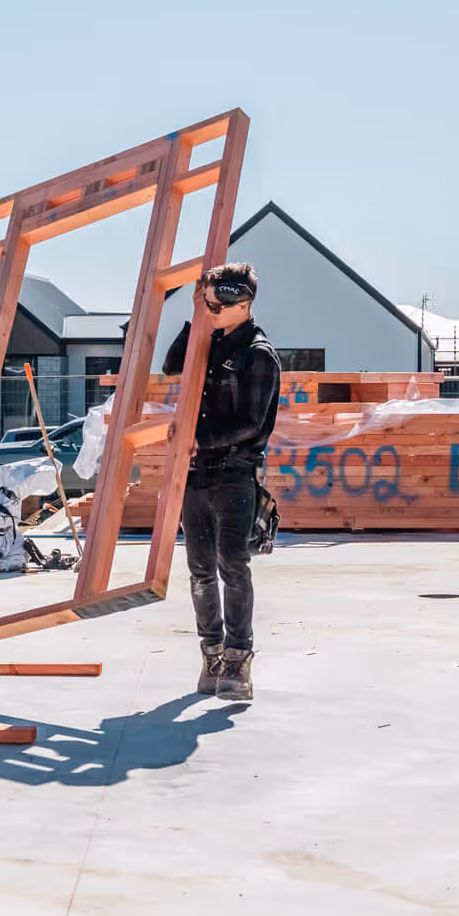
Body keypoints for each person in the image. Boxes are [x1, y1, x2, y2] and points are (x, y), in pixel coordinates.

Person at [161, 262, 280, 702]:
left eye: (216, 303)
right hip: (196, 473)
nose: (210, 308)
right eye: (207, 301)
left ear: (242, 305)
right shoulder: (206, 338)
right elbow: (172, 366)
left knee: (232, 564)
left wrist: (199, 439)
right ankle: (210, 652)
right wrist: (196, 318)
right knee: (198, 569)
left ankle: (237, 657)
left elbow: (252, 423)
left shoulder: (259, 354)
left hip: (233, 471)